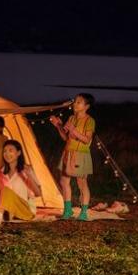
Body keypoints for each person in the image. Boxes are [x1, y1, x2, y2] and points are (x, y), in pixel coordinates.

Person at [50, 92, 95, 220]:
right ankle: (68, 210)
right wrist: (58, 125)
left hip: (80, 154)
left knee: (82, 183)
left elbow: (87, 139)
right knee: (64, 181)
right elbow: (65, 137)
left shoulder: (89, 120)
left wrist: (73, 130)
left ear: (87, 106)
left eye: (79, 102)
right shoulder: (71, 118)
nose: (75, 104)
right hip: (68, 152)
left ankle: (83, 212)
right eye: (75, 101)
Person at [0, 140, 42, 226]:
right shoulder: (2, 172)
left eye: (11, 150)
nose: (7, 154)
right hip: (9, 211)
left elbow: (38, 193)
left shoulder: (26, 169)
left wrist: (29, 175)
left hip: (25, 210)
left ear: (18, 153)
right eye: (5, 151)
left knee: (6, 190)